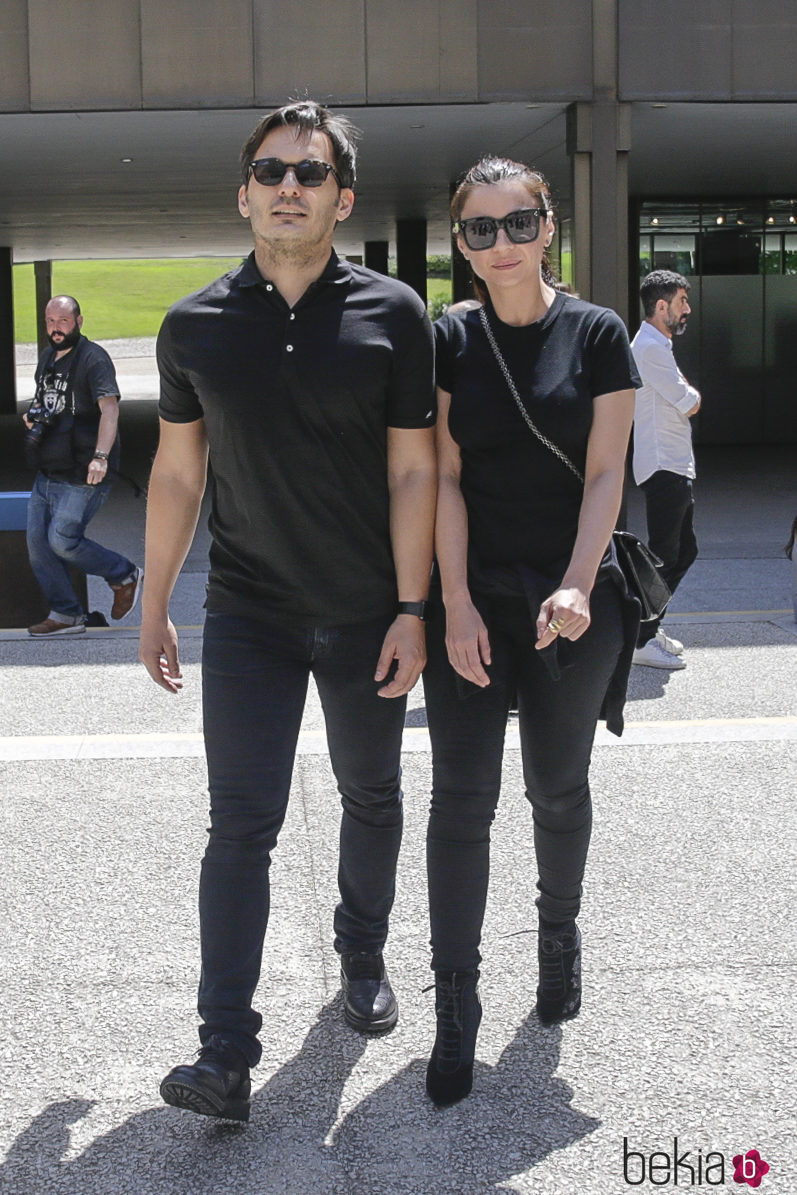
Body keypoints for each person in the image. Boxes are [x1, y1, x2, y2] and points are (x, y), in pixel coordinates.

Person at [139, 100, 436, 1124]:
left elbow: (412, 471)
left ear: (341, 197)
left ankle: (360, 954)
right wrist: (154, 601)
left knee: (370, 795)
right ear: (243, 193)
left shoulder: (393, 314)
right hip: (252, 612)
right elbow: (178, 474)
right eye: (269, 172)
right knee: (240, 824)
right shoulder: (194, 326)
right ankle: (224, 1050)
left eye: (308, 174)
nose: (287, 188)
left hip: (364, 613)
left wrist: (411, 608)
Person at [422, 157, 640, 1107]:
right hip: (474, 598)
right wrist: (456, 602)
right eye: (479, 230)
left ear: (547, 227)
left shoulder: (596, 335)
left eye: (517, 224)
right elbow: (444, 477)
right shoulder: (448, 341)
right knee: (461, 801)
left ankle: (559, 935)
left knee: (557, 788)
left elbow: (604, 474)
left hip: (569, 599)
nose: (499, 245)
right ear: (461, 244)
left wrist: (579, 585)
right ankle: (456, 1003)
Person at [24, 296, 142, 636]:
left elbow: (110, 410)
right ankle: (66, 614)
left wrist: (101, 456)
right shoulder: (47, 358)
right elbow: (47, 402)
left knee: (63, 540)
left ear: (79, 321)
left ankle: (123, 574)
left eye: (63, 320)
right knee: (38, 545)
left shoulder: (94, 359)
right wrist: (32, 419)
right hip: (50, 467)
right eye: (50, 321)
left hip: (85, 469)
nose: (56, 328)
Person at [630, 269, 701, 669]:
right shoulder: (651, 348)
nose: (686, 310)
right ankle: (640, 637)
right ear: (661, 306)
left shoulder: (657, 344)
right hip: (663, 465)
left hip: (672, 463)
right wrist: (692, 394)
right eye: (681, 302)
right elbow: (688, 402)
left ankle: (650, 627)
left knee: (683, 552)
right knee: (664, 556)